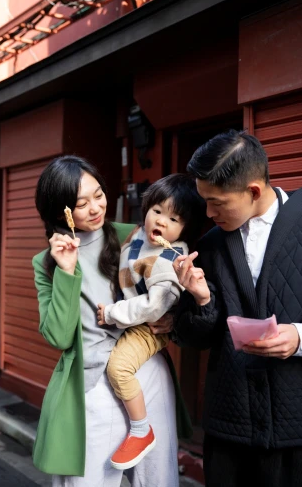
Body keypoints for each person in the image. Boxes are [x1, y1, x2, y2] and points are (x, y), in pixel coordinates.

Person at [31, 155, 185, 487]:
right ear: (62, 212)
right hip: (91, 389)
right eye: (81, 203)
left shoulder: (135, 235)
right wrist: (67, 271)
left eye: (98, 195)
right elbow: (58, 336)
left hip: (145, 373)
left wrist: (174, 318)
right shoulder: (47, 262)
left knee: (158, 480)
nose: (96, 207)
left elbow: (173, 281)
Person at [172, 129, 302, 487]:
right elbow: (191, 338)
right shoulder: (210, 244)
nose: (208, 213)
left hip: (297, 432)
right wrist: (201, 299)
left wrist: (299, 337)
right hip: (229, 428)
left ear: (254, 191)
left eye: (218, 202)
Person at [97, 174, 206, 470]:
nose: (161, 221)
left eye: (173, 218)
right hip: (131, 319)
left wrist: (111, 313)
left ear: (185, 228)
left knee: (119, 367)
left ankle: (141, 429)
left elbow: (152, 307)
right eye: (156, 211)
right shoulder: (136, 238)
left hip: (148, 327)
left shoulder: (171, 259)